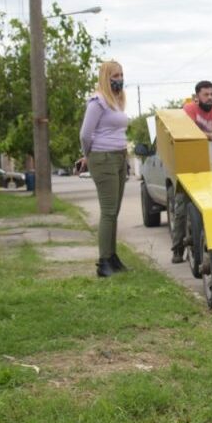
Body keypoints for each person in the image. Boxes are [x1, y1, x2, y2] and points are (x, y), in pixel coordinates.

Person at [170, 80, 212, 263]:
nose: (210, 98)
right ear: (197, 96)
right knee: (181, 207)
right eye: (206, 94)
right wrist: (210, 136)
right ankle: (177, 249)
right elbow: (190, 132)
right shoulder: (189, 110)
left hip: (210, 165)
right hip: (189, 165)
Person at [79, 60, 130, 278]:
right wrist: (88, 155)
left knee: (115, 211)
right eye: (115, 75)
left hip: (119, 156)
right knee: (108, 211)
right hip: (103, 158)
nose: (119, 79)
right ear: (106, 77)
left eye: (121, 75)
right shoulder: (97, 101)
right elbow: (85, 134)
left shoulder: (116, 101)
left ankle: (112, 256)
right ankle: (103, 262)